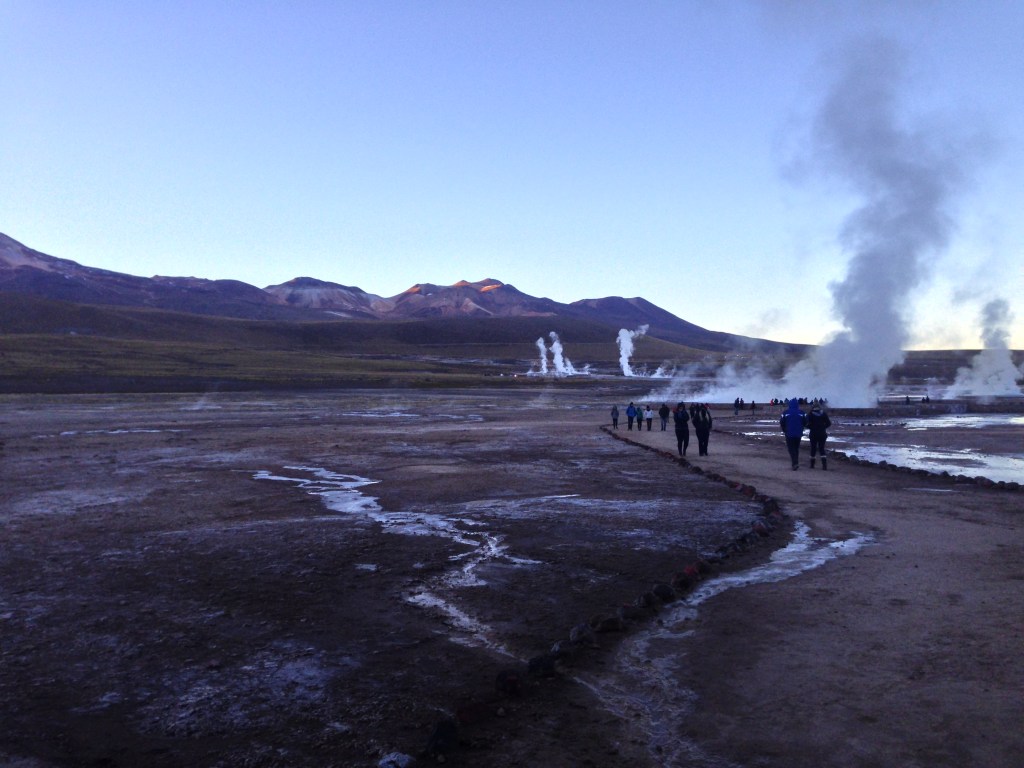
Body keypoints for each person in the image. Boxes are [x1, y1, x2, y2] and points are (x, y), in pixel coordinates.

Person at [780, 398, 807, 470]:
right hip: (798, 434)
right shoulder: (802, 413)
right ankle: (795, 462)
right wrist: (801, 428)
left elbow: (782, 422)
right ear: (797, 405)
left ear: (790, 404)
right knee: (796, 448)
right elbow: (806, 422)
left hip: (789, 433)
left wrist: (784, 430)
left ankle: (795, 463)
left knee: (791, 449)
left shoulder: (785, 413)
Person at [807, 402, 831, 469]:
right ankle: (824, 465)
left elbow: (806, 424)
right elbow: (829, 423)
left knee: (813, 448)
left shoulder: (810, 414)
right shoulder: (823, 413)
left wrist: (811, 427)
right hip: (822, 433)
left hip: (813, 433)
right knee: (822, 449)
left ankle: (812, 465)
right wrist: (823, 427)